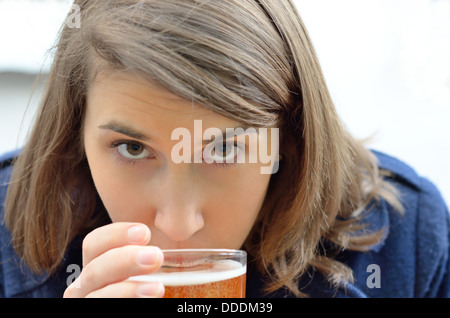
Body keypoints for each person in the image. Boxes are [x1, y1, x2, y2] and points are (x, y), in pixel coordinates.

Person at [0, 0, 448, 298]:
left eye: (226, 148)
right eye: (132, 148)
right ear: (74, 136)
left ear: (287, 139)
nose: (177, 224)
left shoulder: (408, 236)